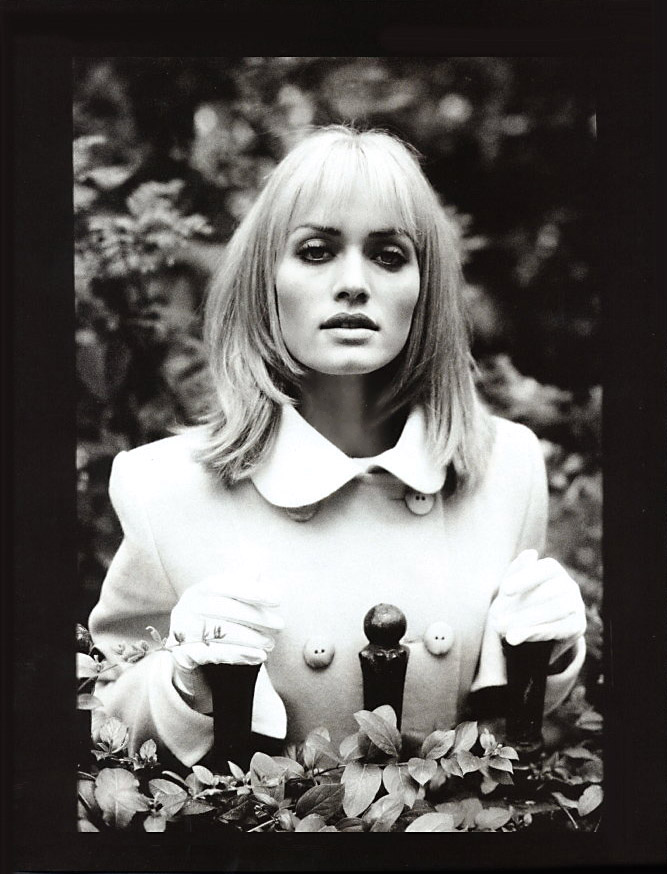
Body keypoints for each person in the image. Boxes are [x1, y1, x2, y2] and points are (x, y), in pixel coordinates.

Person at [88, 125, 586, 769]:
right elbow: (104, 714)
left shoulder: (507, 469)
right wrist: (183, 683)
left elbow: (511, 733)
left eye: (388, 255)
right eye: (317, 251)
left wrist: (549, 650)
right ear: (266, 279)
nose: (353, 283)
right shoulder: (164, 487)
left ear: (425, 288)